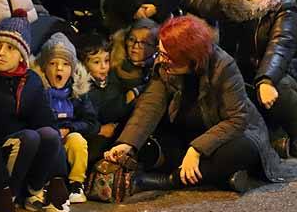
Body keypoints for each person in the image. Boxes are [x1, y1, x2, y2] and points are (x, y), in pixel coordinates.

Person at [105, 15, 283, 194]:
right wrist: (127, 143)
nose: (160, 58)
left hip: (227, 133)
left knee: (239, 151)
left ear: (189, 58)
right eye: (160, 52)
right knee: (148, 141)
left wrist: (197, 149)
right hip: (186, 130)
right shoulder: (164, 64)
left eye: (167, 55)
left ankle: (169, 180)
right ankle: (221, 177)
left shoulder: (223, 66)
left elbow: (237, 120)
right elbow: (150, 105)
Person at [182, 0, 297, 158]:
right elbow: (197, 1)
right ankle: (270, 136)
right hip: (239, 74)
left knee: (281, 90)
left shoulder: (284, 8)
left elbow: (281, 45)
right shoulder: (228, 4)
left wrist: (266, 79)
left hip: (276, 73)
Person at [0, 12, 70, 212]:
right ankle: (2, 201)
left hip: (21, 154)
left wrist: (58, 176)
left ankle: (34, 191)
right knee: (29, 137)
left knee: (49, 134)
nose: (1, 52)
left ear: (22, 55)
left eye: (10, 48)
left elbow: (48, 122)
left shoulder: (30, 80)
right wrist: (0, 188)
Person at [33, 33, 98, 205]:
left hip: (68, 133)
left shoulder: (78, 92)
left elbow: (92, 123)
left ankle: (76, 184)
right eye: (53, 63)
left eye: (65, 64)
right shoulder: (37, 90)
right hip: (46, 137)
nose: (59, 69)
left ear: (73, 68)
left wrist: (71, 129)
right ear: (44, 67)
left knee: (77, 142)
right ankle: (43, 185)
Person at [78, 33, 131, 165]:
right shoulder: (81, 88)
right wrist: (99, 129)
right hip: (93, 134)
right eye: (96, 62)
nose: (103, 66)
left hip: (114, 128)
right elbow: (81, 118)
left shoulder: (112, 79)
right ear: (84, 64)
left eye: (106, 60)